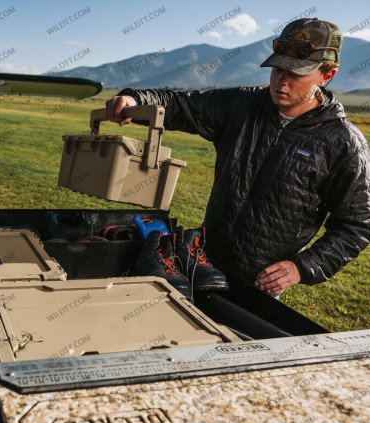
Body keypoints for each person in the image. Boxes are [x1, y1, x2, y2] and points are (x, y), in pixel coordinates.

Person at [105, 18, 370, 296]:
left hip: (258, 283)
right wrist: (136, 99)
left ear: (327, 75)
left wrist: (302, 267)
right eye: (278, 68)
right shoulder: (242, 105)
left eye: (296, 73)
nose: (281, 80)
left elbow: (356, 224)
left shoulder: (344, 143)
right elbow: (181, 105)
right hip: (201, 261)